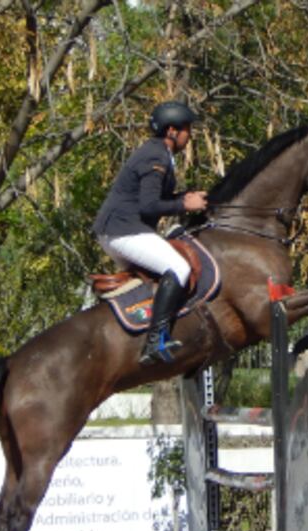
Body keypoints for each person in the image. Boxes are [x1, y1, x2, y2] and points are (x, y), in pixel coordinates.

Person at [92, 100, 209, 365]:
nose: (189, 136)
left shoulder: (159, 153)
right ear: (171, 131)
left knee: (159, 275)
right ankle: (155, 341)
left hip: (121, 230)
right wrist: (183, 204)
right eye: (186, 130)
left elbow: (156, 197)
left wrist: (186, 197)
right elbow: (148, 205)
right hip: (123, 231)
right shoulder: (156, 156)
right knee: (179, 269)